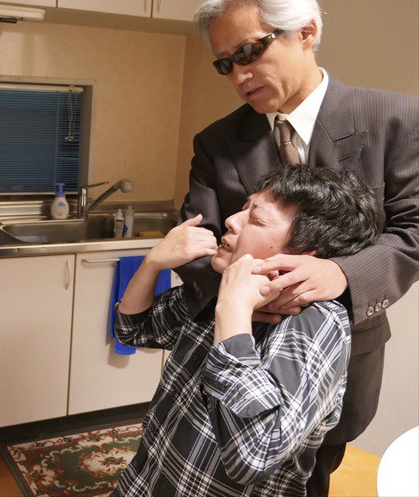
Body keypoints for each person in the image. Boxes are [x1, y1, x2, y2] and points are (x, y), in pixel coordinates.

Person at [176, 0, 419, 493]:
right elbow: (196, 242)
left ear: (306, 31)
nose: (238, 76)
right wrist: (240, 297)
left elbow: (414, 230)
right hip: (237, 353)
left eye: (249, 52)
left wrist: (342, 275)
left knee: (313, 476)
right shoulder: (216, 143)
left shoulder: (397, 120)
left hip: (345, 356)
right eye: (225, 64)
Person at [113, 165, 385, 496]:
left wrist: (234, 310)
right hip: (144, 483)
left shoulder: (314, 322)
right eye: (244, 208)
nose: (231, 220)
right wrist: (152, 262)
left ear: (305, 253)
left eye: (255, 219)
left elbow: (252, 456)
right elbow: (133, 330)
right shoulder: (221, 286)